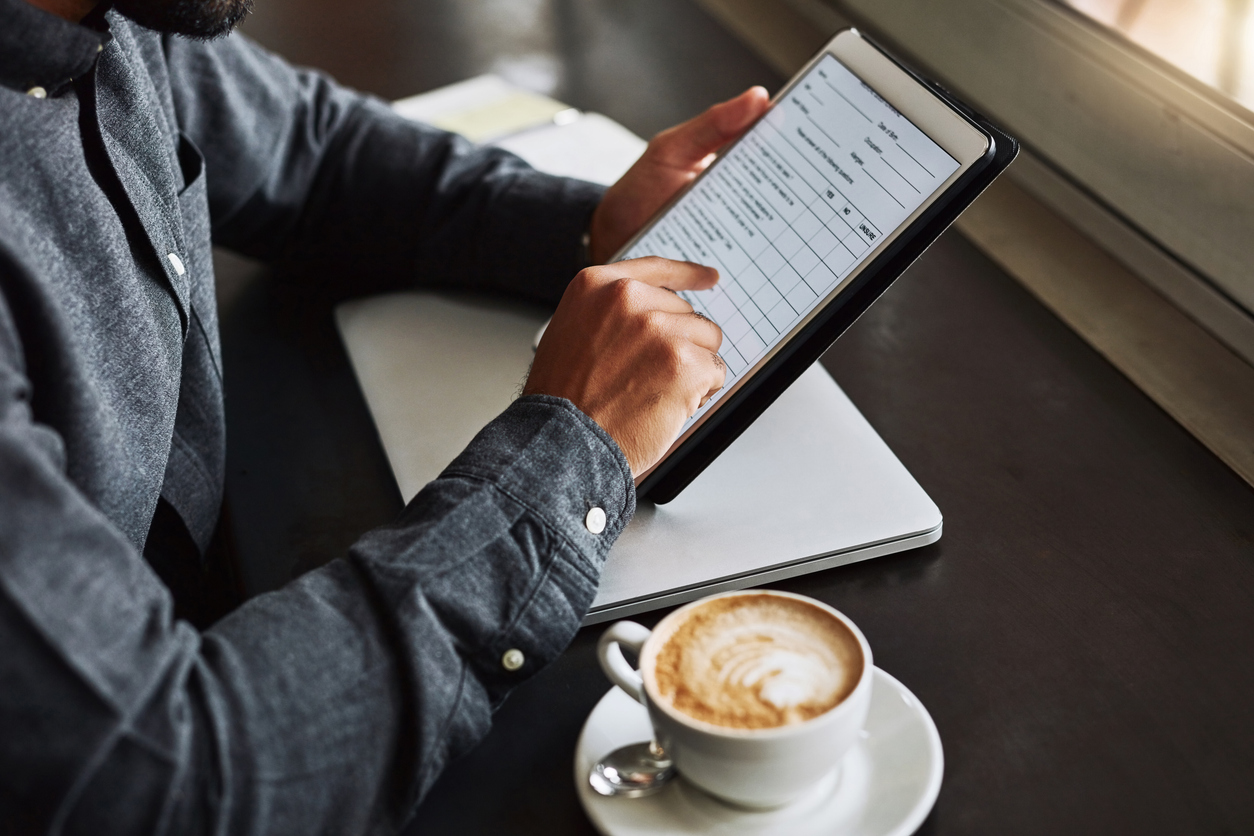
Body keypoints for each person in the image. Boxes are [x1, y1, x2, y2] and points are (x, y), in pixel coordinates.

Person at [0, 0, 770, 830]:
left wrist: (588, 228)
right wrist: (571, 449)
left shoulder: (115, 15)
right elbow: (173, 785)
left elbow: (310, 148)